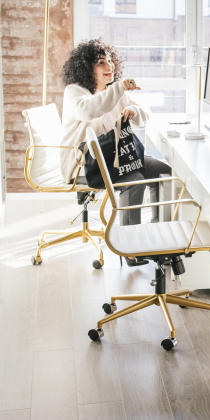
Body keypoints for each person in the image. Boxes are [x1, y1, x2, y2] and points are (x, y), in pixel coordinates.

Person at [59, 39, 171, 266]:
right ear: (86, 67)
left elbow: (145, 114)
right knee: (134, 180)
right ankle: (130, 248)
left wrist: (133, 109)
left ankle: (159, 233)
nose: (108, 66)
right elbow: (90, 110)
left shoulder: (114, 92)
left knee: (164, 173)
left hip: (115, 159)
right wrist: (120, 89)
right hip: (84, 164)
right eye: (101, 62)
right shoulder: (74, 92)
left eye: (110, 61)